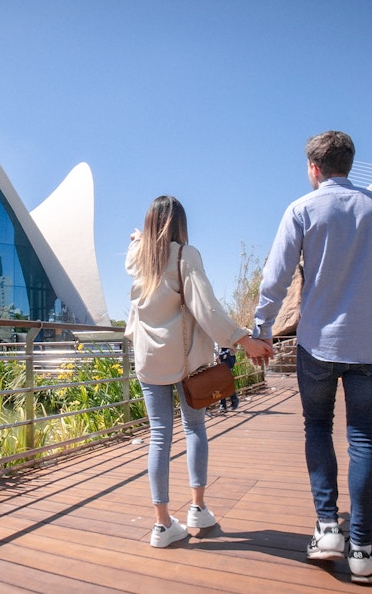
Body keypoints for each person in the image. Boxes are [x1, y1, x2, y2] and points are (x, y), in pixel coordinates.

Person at [252, 131, 372, 584]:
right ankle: (362, 546)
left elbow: (275, 277)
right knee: (364, 438)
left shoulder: (302, 209)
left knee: (318, 427)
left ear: (314, 168)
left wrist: (261, 331)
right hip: (369, 345)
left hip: (318, 343)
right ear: (350, 164)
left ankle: (328, 529)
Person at [125, 195, 273, 548]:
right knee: (193, 427)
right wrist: (242, 339)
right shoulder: (185, 256)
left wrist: (138, 240)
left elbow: (138, 248)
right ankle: (197, 508)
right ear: (179, 224)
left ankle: (161, 525)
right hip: (183, 360)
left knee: (160, 436)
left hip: (148, 361)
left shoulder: (137, 258)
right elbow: (206, 307)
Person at [217, 348, 240, 412]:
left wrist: (220, 355)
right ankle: (224, 404)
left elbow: (231, 350)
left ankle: (232, 400)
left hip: (226, 364)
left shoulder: (227, 340)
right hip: (218, 364)